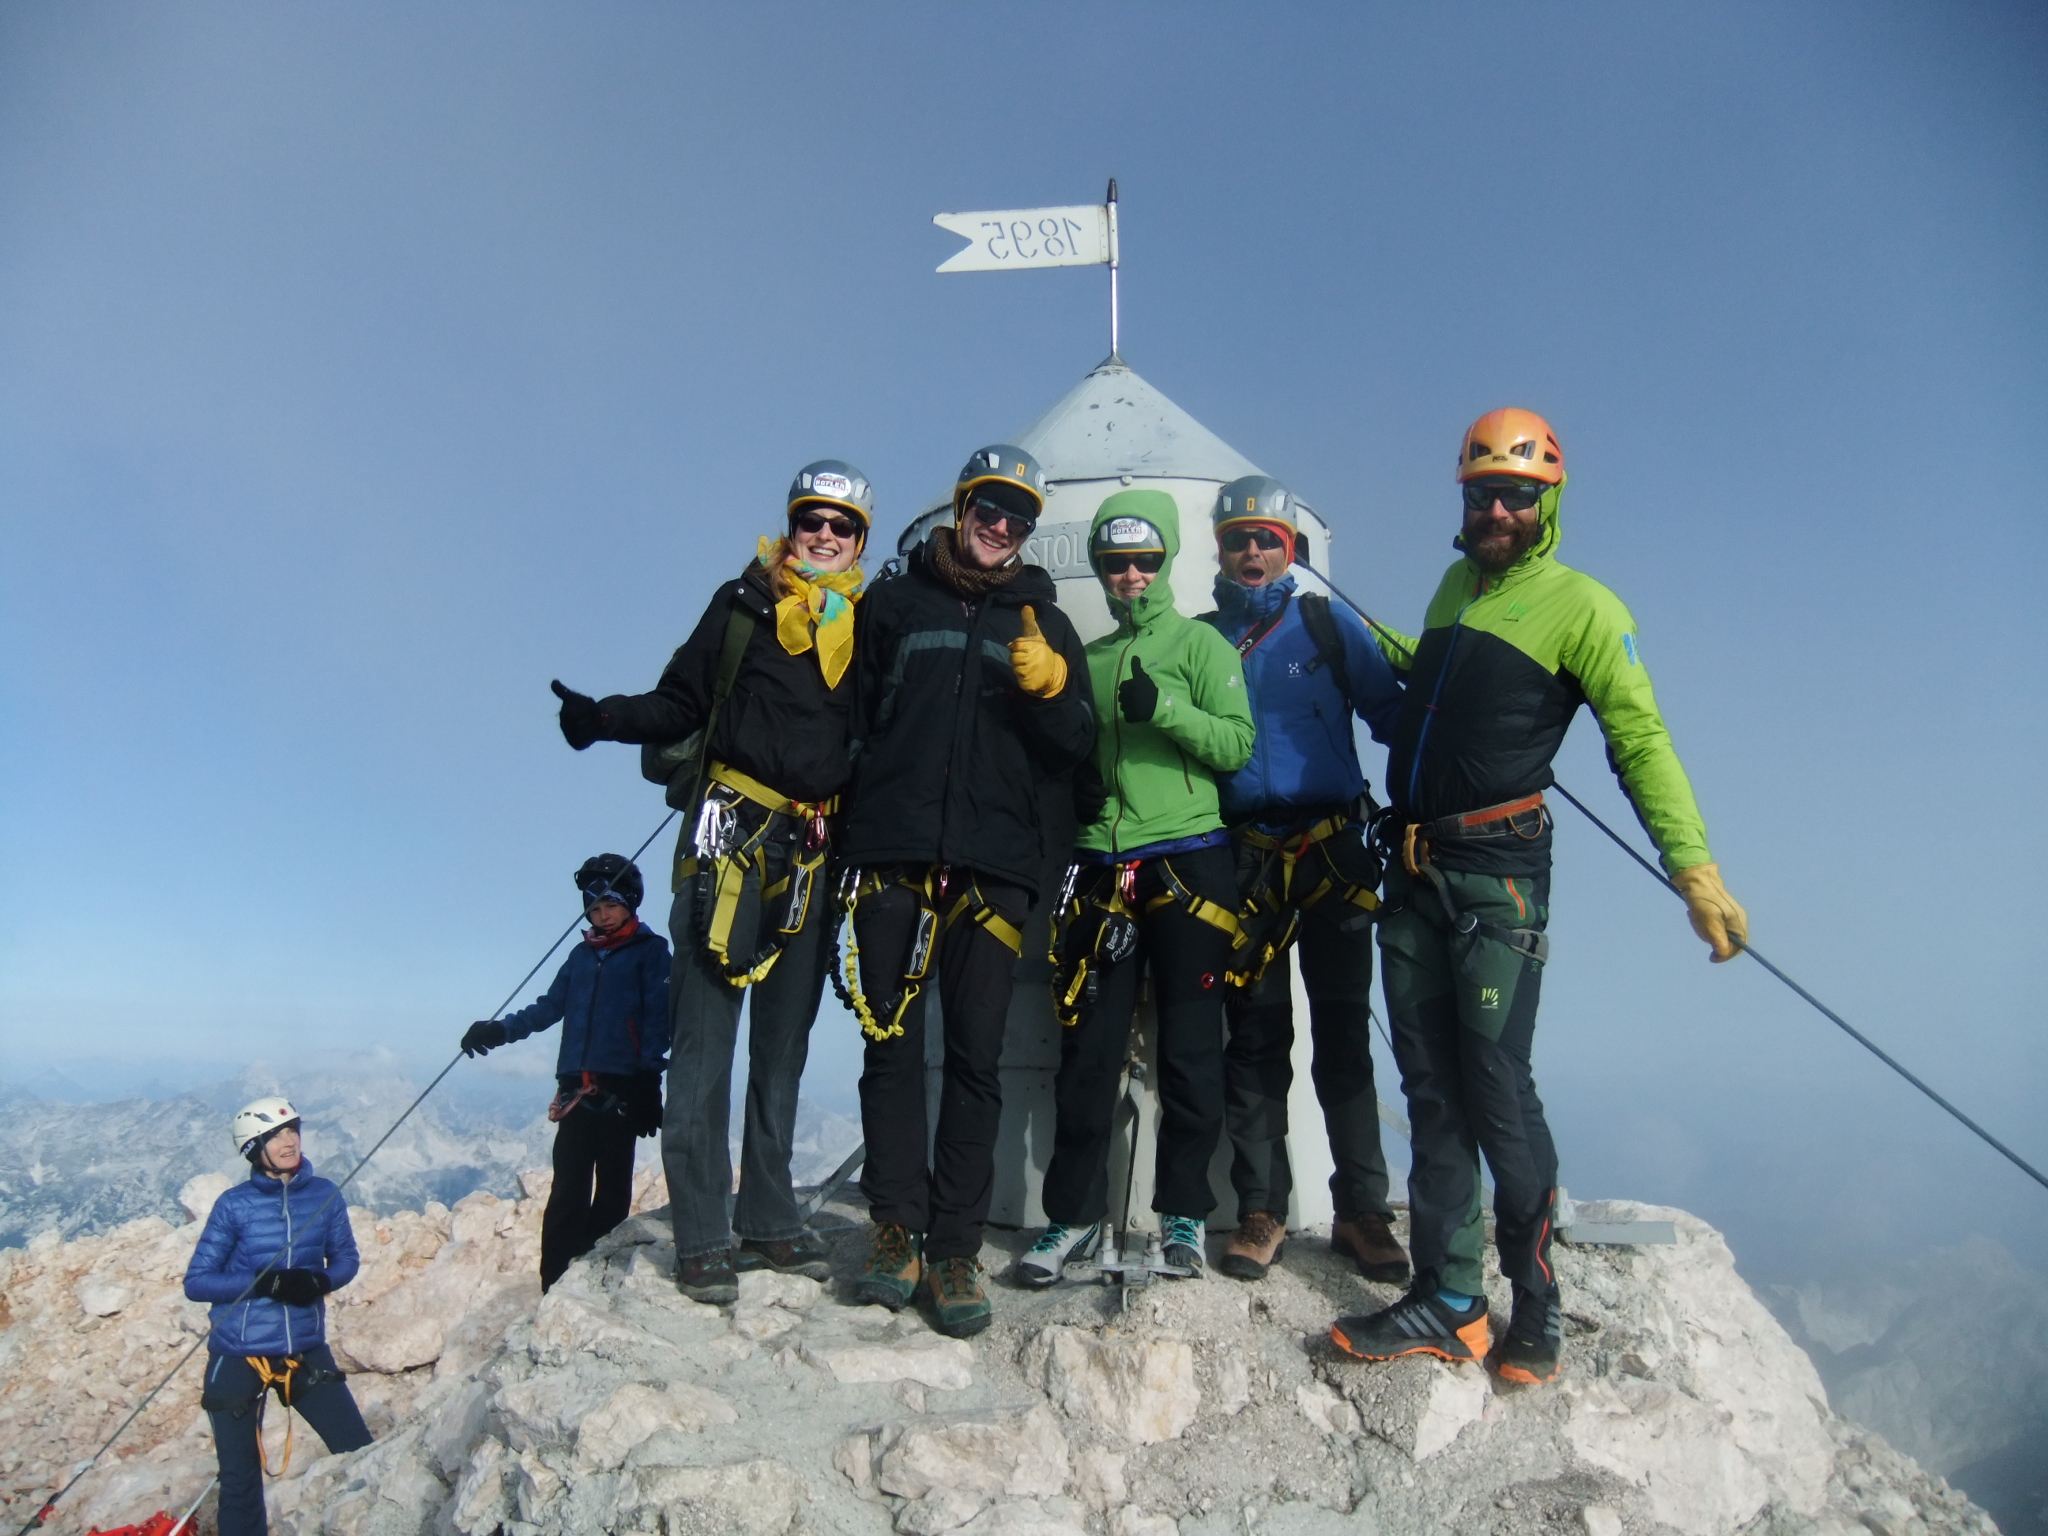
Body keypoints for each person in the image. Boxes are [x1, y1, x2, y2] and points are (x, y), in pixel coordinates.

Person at [1330, 408, 1748, 1385]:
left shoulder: (1583, 608)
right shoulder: (1450, 590)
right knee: (1431, 1093)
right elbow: (1435, 687)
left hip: (1496, 881)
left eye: (1515, 494)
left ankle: (1536, 1297)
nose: (1495, 510)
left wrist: (1693, 870)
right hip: (1415, 871)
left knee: (1495, 1091)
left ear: (1546, 501)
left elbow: (1637, 740)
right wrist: (1349, 629)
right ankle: (1448, 1299)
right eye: (1480, 493)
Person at [544, 462, 869, 1302]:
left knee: (783, 1046)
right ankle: (701, 1233)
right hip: (727, 839)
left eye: (842, 526)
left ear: (859, 541)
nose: (825, 537)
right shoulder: (742, 605)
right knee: (704, 1042)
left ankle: (767, 1218)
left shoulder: (863, 630)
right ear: (792, 527)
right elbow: (682, 699)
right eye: (813, 521)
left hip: (812, 850)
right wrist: (605, 719)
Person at [840, 443, 1093, 1337]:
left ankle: (952, 1249)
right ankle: (893, 1230)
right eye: (988, 508)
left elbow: (1076, 750)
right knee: (891, 1045)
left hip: (995, 870)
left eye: (1018, 517)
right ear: (960, 509)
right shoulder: (896, 604)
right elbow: (853, 717)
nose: (1001, 526)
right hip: (893, 856)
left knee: (977, 1060)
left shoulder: (1045, 622)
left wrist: (1055, 692)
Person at [1022, 489, 1253, 1286]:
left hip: (1190, 858)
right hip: (1100, 864)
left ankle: (1183, 1214)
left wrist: (1167, 713)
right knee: (1087, 1052)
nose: (1129, 574)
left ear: (1167, 559)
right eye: (1115, 561)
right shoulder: (1083, 658)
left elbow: (1235, 746)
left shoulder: (1201, 647)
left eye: (1144, 559)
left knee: (1191, 1050)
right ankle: (1071, 1217)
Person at [1199, 476, 1411, 1286]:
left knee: (1344, 1035)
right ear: (1218, 548)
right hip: (1244, 856)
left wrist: (1453, 696)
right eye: (1239, 539)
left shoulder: (1325, 624)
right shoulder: (1199, 639)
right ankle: (1262, 1209)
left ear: (1292, 549)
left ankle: (1362, 1211)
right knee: (1254, 1041)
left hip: (1329, 852)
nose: (1253, 552)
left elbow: (1390, 716)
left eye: (1268, 540)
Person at [460, 855, 670, 1290]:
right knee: (568, 1190)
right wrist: (499, 1030)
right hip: (575, 1089)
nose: (602, 916)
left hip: (623, 1089)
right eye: (593, 909)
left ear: (630, 903)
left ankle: (595, 1274)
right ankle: (555, 1282)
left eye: (610, 906)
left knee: (612, 1190)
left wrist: (650, 1080)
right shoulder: (580, 956)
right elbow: (549, 1007)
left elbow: (658, 1018)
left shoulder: (651, 952)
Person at [185, 1097, 373, 1536]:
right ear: (254, 1148)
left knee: (359, 1453)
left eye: (292, 1130)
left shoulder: (325, 1193)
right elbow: (197, 1282)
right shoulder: (234, 1206)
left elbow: (345, 1258)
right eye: (275, 1136)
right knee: (239, 1478)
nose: (289, 1141)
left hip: (303, 1347)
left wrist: (320, 1283)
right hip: (238, 1352)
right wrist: (263, 1283)